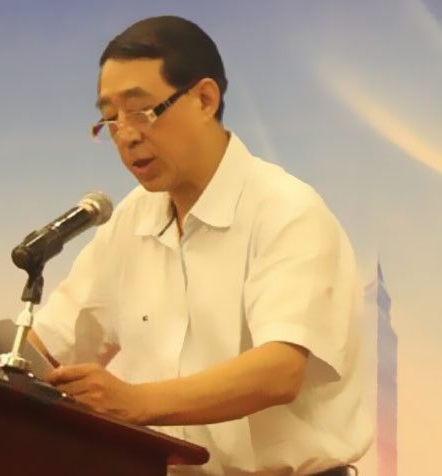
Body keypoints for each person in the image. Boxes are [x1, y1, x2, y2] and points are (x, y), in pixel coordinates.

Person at [30, 15, 372, 476]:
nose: (126, 135)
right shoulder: (133, 217)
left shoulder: (286, 210)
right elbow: (54, 345)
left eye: (141, 111)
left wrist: (136, 402)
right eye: (110, 118)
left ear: (205, 99)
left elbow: (279, 370)